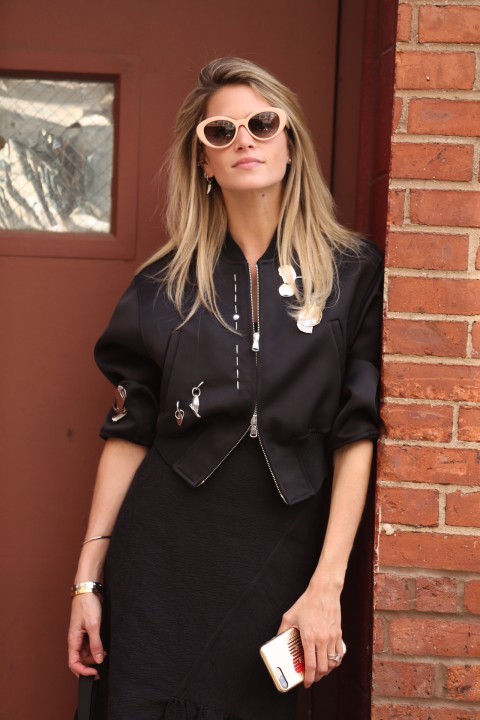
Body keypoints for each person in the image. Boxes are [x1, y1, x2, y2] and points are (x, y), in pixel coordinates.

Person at [68, 56, 383, 720]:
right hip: (162, 556)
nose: (244, 140)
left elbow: (356, 432)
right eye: (221, 132)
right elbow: (129, 431)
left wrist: (327, 584)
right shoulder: (163, 286)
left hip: (280, 553)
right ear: (203, 161)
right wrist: (87, 582)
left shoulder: (352, 274)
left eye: (263, 124)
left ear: (290, 144)